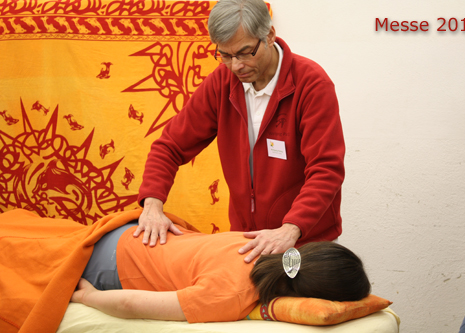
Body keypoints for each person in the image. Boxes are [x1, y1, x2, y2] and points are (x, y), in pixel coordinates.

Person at [137, 0, 346, 263]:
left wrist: (291, 228)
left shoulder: (311, 84)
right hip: (246, 240)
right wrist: (152, 205)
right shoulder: (221, 83)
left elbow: (326, 169)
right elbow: (170, 146)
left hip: (303, 240)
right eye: (225, 55)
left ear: (269, 36)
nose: (236, 66)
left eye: (246, 52)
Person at [72, 220, 370, 323]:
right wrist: (88, 298)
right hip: (112, 264)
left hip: (131, 233)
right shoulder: (233, 296)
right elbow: (129, 303)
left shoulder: (266, 244)